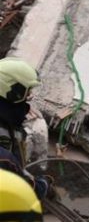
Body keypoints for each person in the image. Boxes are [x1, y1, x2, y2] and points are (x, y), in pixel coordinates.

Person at [0, 57, 52, 199]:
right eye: (27, 91)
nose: (29, 96)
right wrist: (42, 186)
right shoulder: (4, 159)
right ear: (13, 91)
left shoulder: (7, 121)